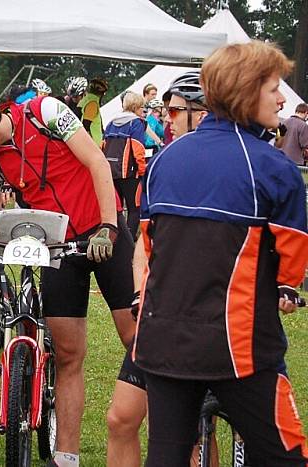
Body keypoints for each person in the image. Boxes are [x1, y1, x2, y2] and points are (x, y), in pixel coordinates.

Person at [0, 82, 135, 467]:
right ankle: (66, 457)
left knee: (136, 338)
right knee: (67, 354)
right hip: (57, 246)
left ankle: (168, 423)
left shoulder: (44, 112)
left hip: (103, 232)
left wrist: (109, 226)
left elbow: (97, 162)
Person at [134, 41, 308, 466]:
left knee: (167, 457)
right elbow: (293, 257)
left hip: (161, 342)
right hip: (239, 348)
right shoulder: (274, 168)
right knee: (288, 458)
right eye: (273, 89)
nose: (283, 98)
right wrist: (287, 287)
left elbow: (150, 244)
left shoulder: (163, 160)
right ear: (247, 91)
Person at [105, 71, 210, 467]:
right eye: (164, 109)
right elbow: (143, 246)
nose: (165, 118)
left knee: (196, 434)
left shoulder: (224, 168)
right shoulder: (162, 163)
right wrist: (137, 293)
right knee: (121, 418)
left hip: (204, 318)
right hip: (156, 314)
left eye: (173, 111)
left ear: (200, 114)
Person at [102, 92, 147, 240]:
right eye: (142, 107)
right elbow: (138, 150)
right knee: (134, 210)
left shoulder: (111, 123)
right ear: (135, 107)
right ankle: (129, 242)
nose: (143, 111)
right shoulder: (136, 123)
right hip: (129, 174)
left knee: (117, 210)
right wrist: (142, 172)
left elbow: (103, 145)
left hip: (110, 172)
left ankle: (116, 240)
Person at [79, 77, 108, 145]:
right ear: (102, 93)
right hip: (93, 144)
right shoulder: (92, 104)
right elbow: (86, 125)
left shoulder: (86, 100)